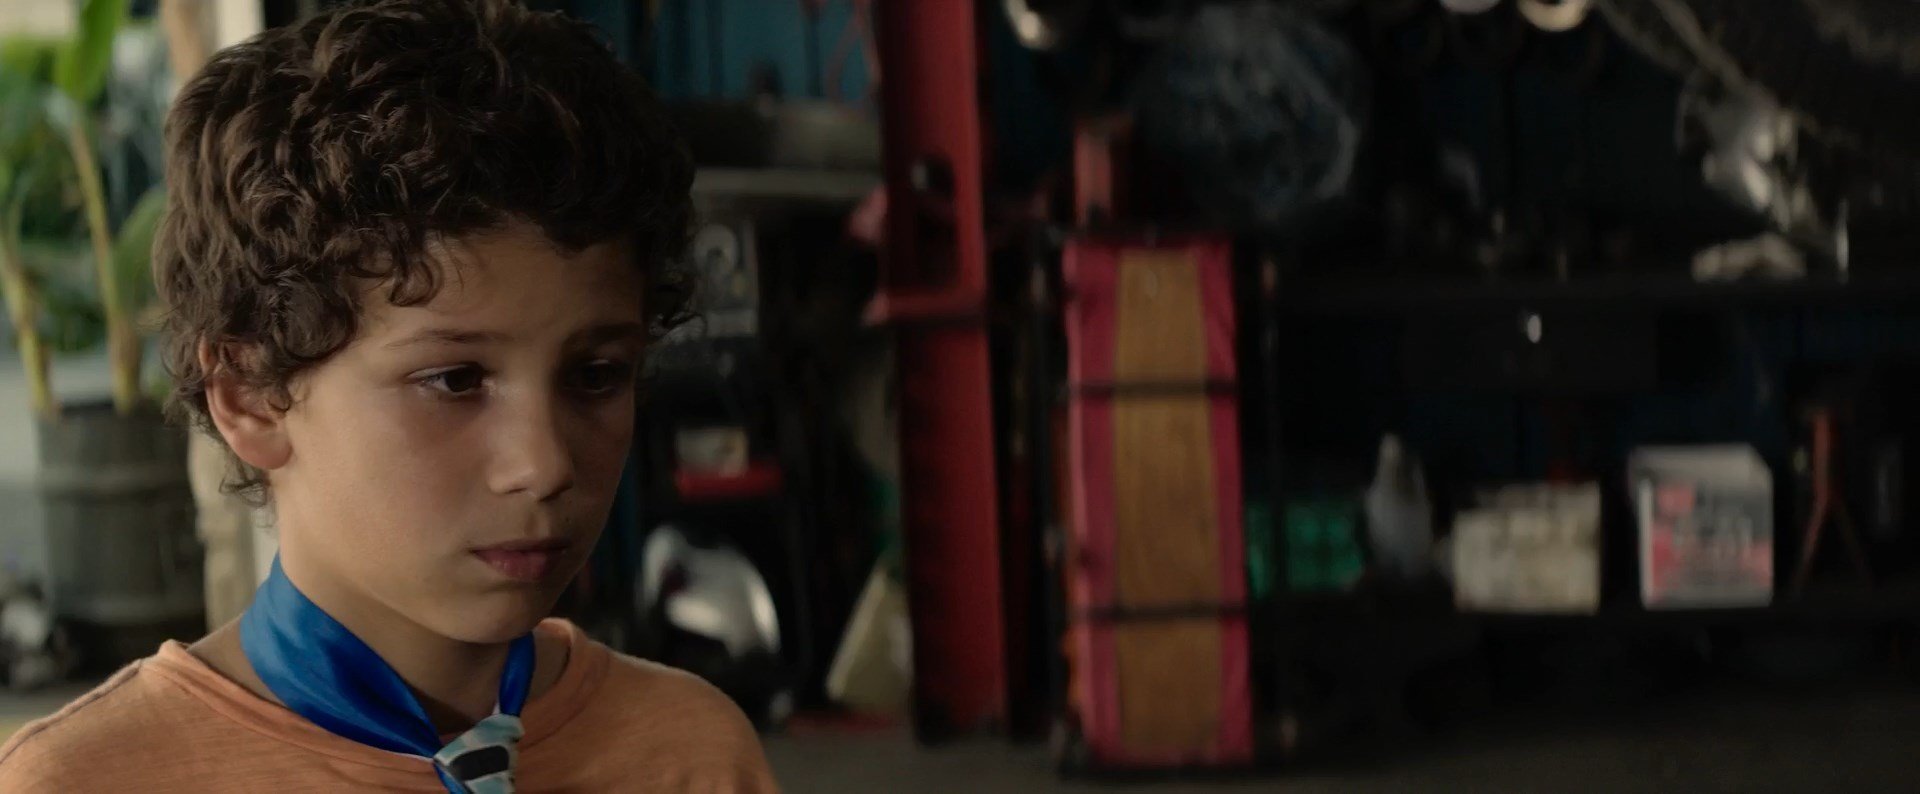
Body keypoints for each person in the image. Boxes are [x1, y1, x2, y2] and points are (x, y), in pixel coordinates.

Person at [0, 1, 776, 790]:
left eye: (597, 374)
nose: (545, 465)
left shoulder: (691, 754)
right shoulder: (86, 781)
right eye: (455, 380)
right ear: (249, 395)